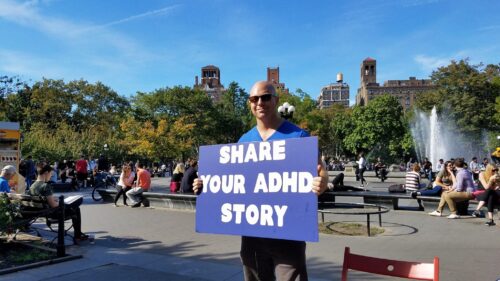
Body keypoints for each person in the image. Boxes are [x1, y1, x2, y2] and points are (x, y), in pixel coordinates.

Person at [193, 81, 328, 281]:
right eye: (254, 99)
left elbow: (320, 170)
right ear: (249, 103)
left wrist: (322, 181)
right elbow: (230, 181)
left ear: (276, 100)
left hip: (289, 232)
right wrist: (206, 185)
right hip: (252, 235)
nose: (259, 102)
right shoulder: (244, 141)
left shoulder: (298, 137)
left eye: (265, 97)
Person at [29, 162, 89, 243]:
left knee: (74, 207)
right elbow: (53, 205)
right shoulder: (45, 186)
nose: (51, 176)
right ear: (46, 173)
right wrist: (62, 203)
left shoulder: (33, 186)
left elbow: (47, 200)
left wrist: (55, 200)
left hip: (42, 212)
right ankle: (78, 235)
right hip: (52, 214)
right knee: (77, 204)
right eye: (51, 174)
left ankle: (78, 235)